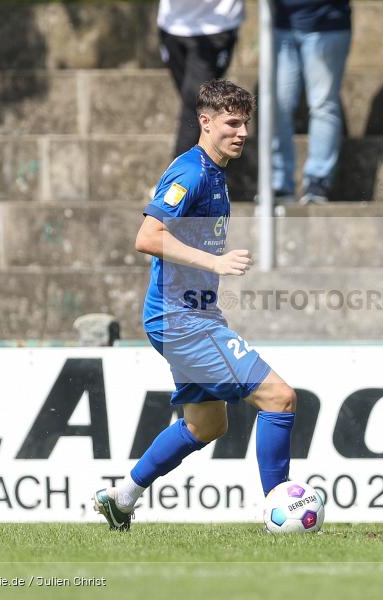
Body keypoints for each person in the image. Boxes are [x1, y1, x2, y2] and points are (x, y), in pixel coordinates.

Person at [93, 80, 297, 530]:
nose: (242, 132)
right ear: (206, 122)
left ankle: (121, 497)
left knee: (206, 426)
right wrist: (215, 262)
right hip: (180, 318)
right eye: (232, 122)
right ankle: (278, 514)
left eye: (246, 123)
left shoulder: (216, 173)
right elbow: (147, 236)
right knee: (279, 399)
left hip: (189, 315)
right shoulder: (192, 173)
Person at [272, 0, 352, 204]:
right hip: (281, 26)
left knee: (323, 104)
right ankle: (279, 183)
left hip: (328, 25)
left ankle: (318, 181)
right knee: (278, 106)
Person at [158, 0, 245, 157]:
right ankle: (201, 168)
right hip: (173, 26)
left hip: (217, 25)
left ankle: (180, 176)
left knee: (195, 102)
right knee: (194, 105)